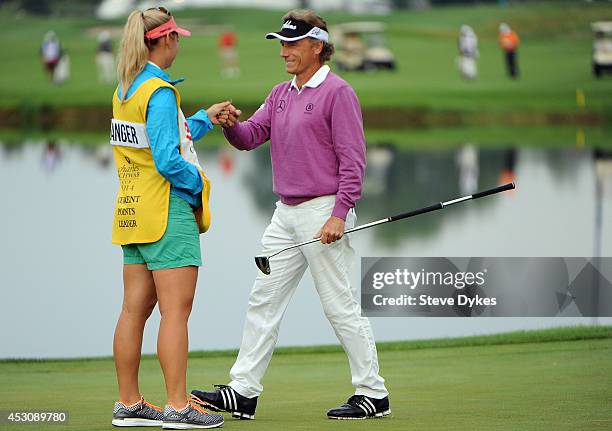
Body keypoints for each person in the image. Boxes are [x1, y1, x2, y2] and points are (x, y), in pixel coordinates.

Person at [190, 9, 390, 421]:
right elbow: (250, 138)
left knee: (339, 305)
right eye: (281, 43)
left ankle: (373, 393)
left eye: (292, 44)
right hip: (285, 214)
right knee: (263, 299)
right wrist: (231, 124)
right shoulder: (281, 93)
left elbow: (353, 161)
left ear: (317, 46)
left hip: (324, 212)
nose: (284, 51)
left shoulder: (338, 92)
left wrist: (340, 213)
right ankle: (243, 391)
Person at [110, 7, 232, 429]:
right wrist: (199, 184)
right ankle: (178, 407)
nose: (179, 42)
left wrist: (203, 119)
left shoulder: (127, 87)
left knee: (132, 312)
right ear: (165, 40)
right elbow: (166, 158)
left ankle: (128, 403)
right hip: (166, 211)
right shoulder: (160, 91)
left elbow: (161, 138)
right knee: (175, 313)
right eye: (177, 36)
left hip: (131, 211)